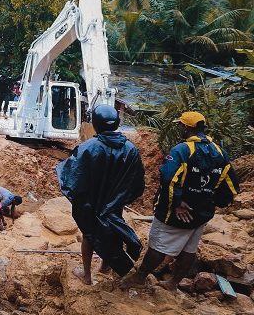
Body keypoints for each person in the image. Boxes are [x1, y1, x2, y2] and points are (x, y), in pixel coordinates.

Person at [124, 111, 239, 291]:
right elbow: (231, 185)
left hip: (177, 212)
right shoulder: (219, 152)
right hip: (201, 213)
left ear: (186, 127)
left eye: (180, 125)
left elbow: (169, 178)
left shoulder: (182, 150)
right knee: (189, 249)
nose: (180, 128)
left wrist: (177, 203)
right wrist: (210, 201)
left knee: (157, 246)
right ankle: (173, 283)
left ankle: (140, 277)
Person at [56, 105, 145, 286]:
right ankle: (106, 267)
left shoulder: (88, 147)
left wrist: (82, 200)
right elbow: (137, 182)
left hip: (92, 204)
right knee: (113, 231)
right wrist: (120, 199)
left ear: (95, 124)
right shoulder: (130, 149)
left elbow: (73, 177)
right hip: (115, 204)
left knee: (90, 234)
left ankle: (87, 275)